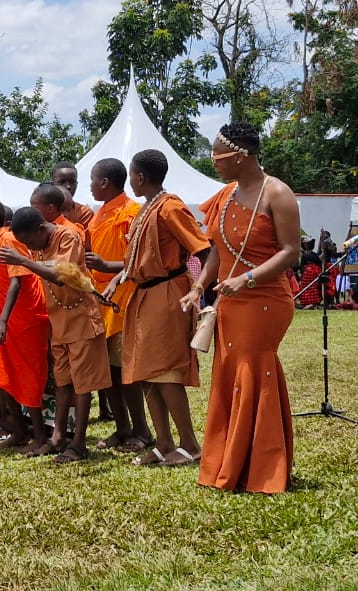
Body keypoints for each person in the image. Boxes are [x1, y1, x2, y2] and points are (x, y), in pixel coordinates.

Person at [183, 122, 299, 493]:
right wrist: (199, 286)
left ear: (240, 156)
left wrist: (247, 280)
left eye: (218, 156)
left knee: (253, 369)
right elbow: (217, 249)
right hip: (229, 300)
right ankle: (228, 464)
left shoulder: (277, 193)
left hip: (265, 300)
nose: (213, 162)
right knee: (230, 374)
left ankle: (259, 470)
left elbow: (290, 253)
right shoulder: (225, 195)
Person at [88, 150, 209, 468]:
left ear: (139, 177)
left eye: (131, 175)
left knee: (165, 371)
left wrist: (202, 290)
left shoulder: (170, 207)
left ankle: (190, 444)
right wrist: (119, 276)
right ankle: (164, 443)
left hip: (167, 293)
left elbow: (204, 250)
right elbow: (137, 259)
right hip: (142, 295)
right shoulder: (147, 208)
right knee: (144, 373)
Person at [0, 206, 111, 463]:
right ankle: (58, 436)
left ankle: (79, 443)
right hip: (59, 322)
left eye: (30, 241)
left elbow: (62, 277)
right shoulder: (40, 245)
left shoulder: (68, 236)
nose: (30, 246)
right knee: (63, 382)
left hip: (81, 319)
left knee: (82, 385)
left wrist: (24, 261)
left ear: (40, 228)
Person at [0, 197, 51, 454]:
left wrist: (3, 320)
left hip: (21, 321)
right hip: (3, 321)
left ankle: (39, 436)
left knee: (27, 377)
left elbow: (17, 280)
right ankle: (18, 430)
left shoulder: (8, 240)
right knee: (4, 375)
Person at [85, 158, 153, 452]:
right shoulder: (98, 215)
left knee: (125, 370)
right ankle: (122, 428)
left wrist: (106, 265)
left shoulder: (132, 213)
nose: (89, 186)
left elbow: (140, 259)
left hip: (124, 297)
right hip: (99, 298)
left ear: (104, 183)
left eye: (92, 180)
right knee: (108, 372)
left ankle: (141, 430)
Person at [30, 183, 91, 248]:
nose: (31, 211)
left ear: (50, 208)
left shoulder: (70, 233)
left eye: (35, 208)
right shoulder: (38, 229)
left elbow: (67, 258)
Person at [52, 162, 94, 227]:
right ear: (53, 185)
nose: (68, 186)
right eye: (62, 182)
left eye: (72, 182)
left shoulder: (84, 213)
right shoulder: (42, 210)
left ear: (77, 184)